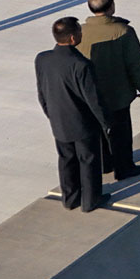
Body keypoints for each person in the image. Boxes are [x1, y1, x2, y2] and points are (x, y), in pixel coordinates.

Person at [35, 16, 110, 213]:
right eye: (78, 32)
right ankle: (90, 200)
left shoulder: (42, 59)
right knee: (88, 161)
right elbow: (93, 99)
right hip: (83, 123)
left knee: (66, 159)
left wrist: (50, 114)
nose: (81, 34)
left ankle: (70, 198)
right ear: (71, 38)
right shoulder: (81, 65)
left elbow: (41, 92)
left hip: (58, 120)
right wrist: (105, 122)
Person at [81, 0, 140, 180]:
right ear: (111, 6)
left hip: (91, 94)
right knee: (121, 131)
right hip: (118, 92)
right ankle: (124, 167)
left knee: (99, 129)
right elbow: (134, 62)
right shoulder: (124, 31)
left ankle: (105, 164)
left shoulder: (80, 32)